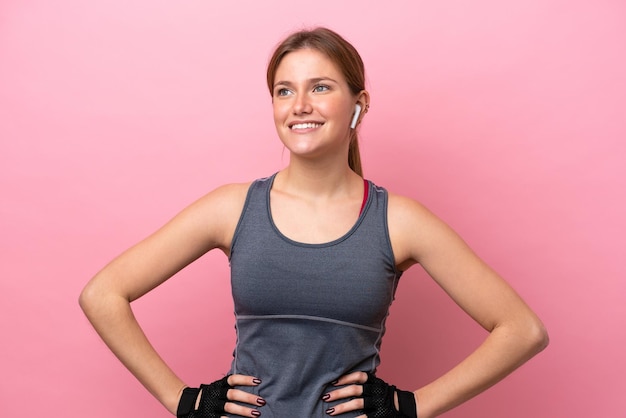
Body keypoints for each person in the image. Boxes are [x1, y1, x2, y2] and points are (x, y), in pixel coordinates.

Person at [79, 27, 549, 417]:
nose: (299, 104)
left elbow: (521, 329)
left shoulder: (399, 221)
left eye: (320, 87)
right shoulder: (231, 207)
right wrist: (181, 399)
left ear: (359, 103)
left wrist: (412, 406)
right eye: (285, 91)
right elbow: (102, 294)